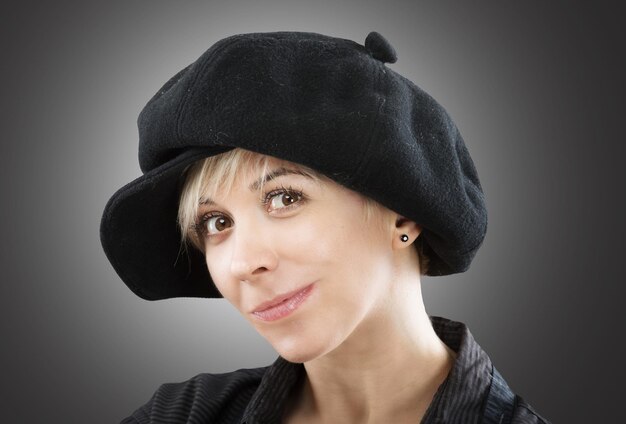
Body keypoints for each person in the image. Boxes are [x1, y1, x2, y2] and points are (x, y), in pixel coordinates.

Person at [101, 31, 549, 423]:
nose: (242, 262)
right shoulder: (185, 413)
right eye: (216, 222)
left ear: (403, 213)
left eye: (284, 198)